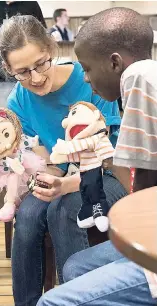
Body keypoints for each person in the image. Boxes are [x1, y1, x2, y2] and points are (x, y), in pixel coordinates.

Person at [0, 15, 127, 305]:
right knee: (27, 214)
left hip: (106, 174)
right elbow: (44, 156)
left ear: (51, 47)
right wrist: (47, 177)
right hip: (64, 175)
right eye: (23, 72)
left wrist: (66, 185)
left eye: (40, 63)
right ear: (8, 69)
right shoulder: (19, 100)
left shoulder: (90, 77)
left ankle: (76, 299)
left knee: (64, 209)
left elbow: (112, 159)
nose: (36, 77)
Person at [37, 7, 157, 306]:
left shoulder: (138, 76)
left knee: (50, 303)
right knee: (75, 266)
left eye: (88, 68)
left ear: (115, 62)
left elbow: (143, 194)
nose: (86, 79)